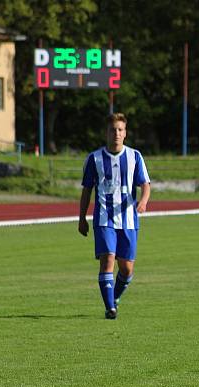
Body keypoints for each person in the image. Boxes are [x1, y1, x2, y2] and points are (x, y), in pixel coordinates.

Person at [78, 113, 151, 319]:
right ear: (106, 133)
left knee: (126, 269)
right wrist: (81, 218)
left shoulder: (135, 156)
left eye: (120, 130)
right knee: (108, 259)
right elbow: (86, 190)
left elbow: (145, 184)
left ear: (125, 133)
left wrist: (144, 201)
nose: (116, 134)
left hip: (128, 219)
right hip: (104, 218)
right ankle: (110, 308)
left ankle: (115, 298)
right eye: (113, 130)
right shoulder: (94, 159)